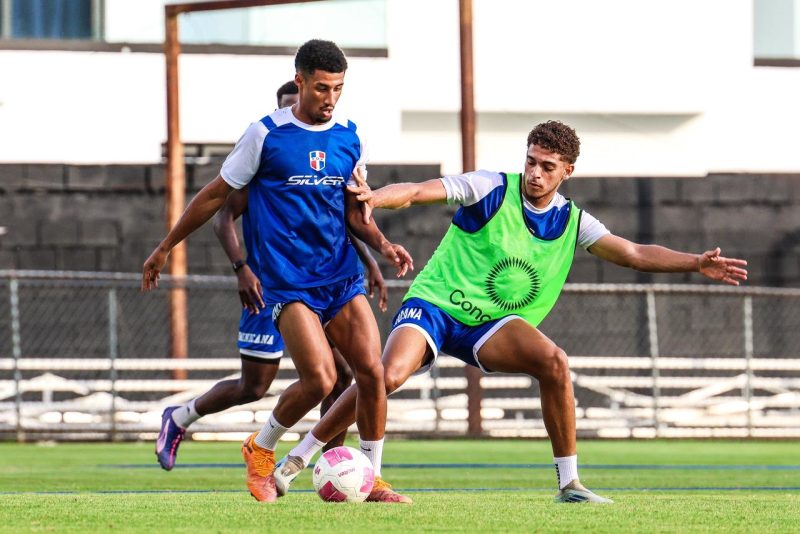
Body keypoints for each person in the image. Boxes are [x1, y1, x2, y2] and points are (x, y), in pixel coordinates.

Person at [271, 120, 749, 504]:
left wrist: (695, 263)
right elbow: (417, 191)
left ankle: (570, 483)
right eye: (531, 161)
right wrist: (375, 198)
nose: (536, 173)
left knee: (554, 362)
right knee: (386, 375)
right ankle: (301, 454)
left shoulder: (573, 221)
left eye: (548, 166)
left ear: (567, 172)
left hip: (488, 325)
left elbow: (634, 253)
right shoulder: (490, 187)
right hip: (434, 305)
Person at [142, 39, 413, 503]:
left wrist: (383, 245)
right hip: (288, 282)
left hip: (340, 276)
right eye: (322, 88)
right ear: (300, 81)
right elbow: (216, 197)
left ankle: (371, 478)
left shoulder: (351, 136)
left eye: (338, 89)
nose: (330, 98)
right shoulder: (265, 134)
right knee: (319, 379)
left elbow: (354, 213)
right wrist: (166, 246)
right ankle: (261, 447)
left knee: (371, 372)